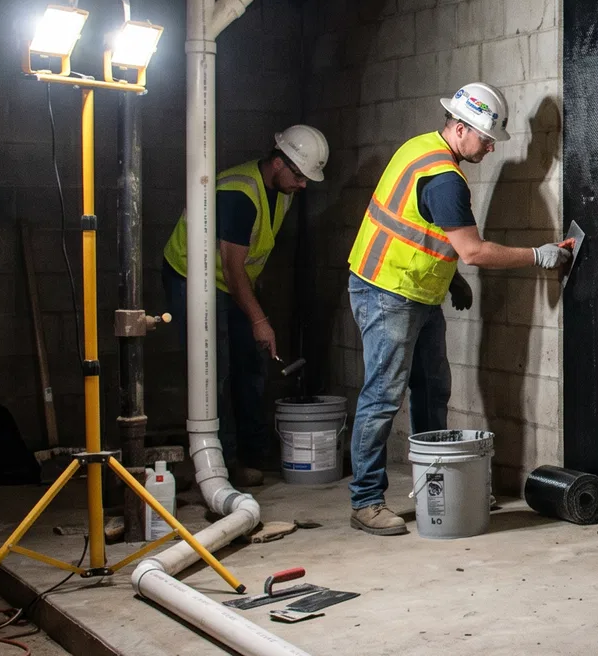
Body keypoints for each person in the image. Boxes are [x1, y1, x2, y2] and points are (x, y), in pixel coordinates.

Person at [345, 82, 573, 536]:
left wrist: (448, 278)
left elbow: (419, 225)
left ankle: (439, 486)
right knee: (383, 396)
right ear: (461, 128)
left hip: (416, 291)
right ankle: (366, 501)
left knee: (433, 391)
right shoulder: (445, 179)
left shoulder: (421, 148)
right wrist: (537, 255)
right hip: (388, 292)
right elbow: (472, 250)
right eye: (487, 138)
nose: (491, 147)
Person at [162, 124, 327, 484]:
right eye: (300, 176)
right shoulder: (239, 195)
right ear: (278, 163)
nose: (303, 185)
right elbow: (232, 269)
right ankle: (221, 463)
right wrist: (259, 320)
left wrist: (254, 310)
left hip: (229, 281)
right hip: (192, 277)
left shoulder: (283, 190)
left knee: (250, 363)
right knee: (215, 370)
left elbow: (250, 256)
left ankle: (254, 455)